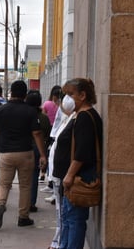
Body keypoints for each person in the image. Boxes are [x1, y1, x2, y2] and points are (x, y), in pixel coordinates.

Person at [52, 78, 102, 249]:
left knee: (74, 220)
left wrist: (70, 175)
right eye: (66, 94)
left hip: (79, 178)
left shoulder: (85, 118)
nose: (67, 98)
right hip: (75, 177)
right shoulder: (79, 115)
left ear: (83, 95)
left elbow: (82, 152)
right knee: (69, 218)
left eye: (70, 94)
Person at [0, 80, 47, 230]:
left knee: (3, 184)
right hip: (25, 153)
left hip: (6, 153)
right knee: (25, 186)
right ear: (24, 94)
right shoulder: (30, 111)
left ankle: (0, 204)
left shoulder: (1, 110)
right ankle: (23, 217)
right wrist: (42, 154)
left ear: (11, 93)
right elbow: (36, 133)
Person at [47, 95, 76, 249]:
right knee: (62, 212)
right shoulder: (67, 119)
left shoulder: (73, 120)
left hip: (64, 174)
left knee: (65, 213)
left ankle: (59, 241)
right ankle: (59, 240)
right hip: (59, 174)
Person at [25, 90, 51, 213]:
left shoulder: (25, 115)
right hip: (39, 149)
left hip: (24, 148)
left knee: (24, 177)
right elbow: (47, 134)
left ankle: (24, 202)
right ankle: (31, 203)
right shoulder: (44, 118)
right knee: (34, 175)